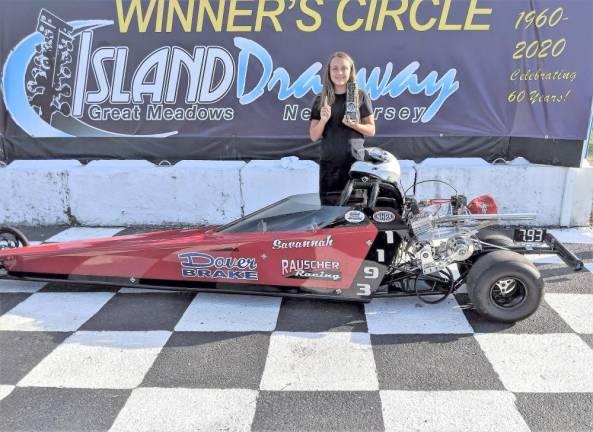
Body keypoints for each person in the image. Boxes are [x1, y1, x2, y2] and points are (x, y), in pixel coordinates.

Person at [309, 52, 375, 205]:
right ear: (329, 71)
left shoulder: (360, 95)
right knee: (329, 216)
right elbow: (313, 135)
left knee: (355, 215)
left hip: (355, 165)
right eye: (335, 68)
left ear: (351, 70)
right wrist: (323, 120)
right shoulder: (321, 99)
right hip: (330, 167)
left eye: (344, 68)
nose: (339, 73)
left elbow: (371, 130)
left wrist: (354, 125)